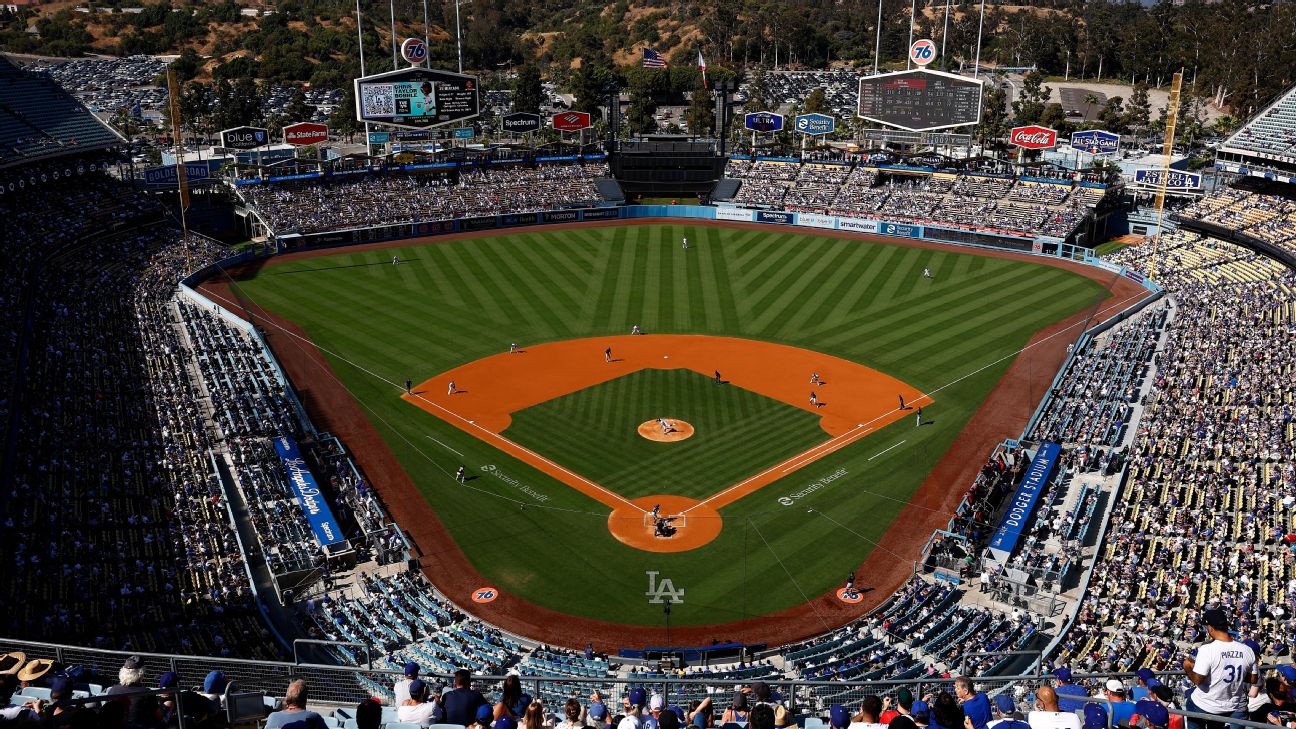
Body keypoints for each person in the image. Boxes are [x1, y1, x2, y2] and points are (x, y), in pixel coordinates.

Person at [1182, 608, 1257, 729]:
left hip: (1204, 704)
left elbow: (1197, 680)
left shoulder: (1207, 649)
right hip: (1229, 707)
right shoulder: (1247, 650)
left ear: (1210, 628)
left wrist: (1187, 667)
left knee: (1191, 703)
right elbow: (1253, 679)